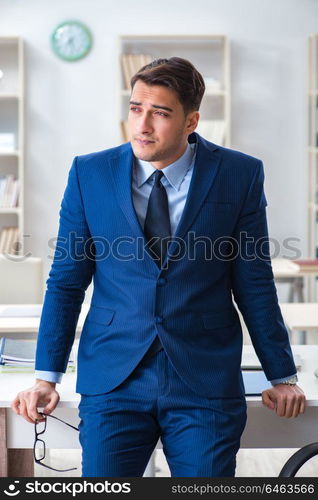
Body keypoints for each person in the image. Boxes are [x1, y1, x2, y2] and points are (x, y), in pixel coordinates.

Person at [11, 57, 306, 477]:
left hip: (203, 377)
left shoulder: (239, 174)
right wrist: (46, 376)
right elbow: (66, 282)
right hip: (114, 378)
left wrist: (281, 373)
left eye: (160, 113)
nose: (142, 125)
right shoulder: (90, 173)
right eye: (136, 108)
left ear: (191, 121)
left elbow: (254, 282)